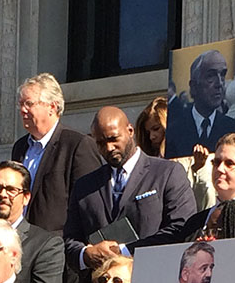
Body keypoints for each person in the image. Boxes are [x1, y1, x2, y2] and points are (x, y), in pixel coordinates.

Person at [63, 106, 196, 270]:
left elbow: (182, 229)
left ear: (130, 131)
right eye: (100, 143)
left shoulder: (167, 173)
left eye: (113, 139)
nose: (109, 148)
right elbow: (70, 240)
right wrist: (86, 254)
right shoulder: (84, 186)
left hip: (152, 278)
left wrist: (124, 251)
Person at [12, 73, 104, 233]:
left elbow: (89, 204)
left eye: (29, 104)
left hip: (58, 246)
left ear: (52, 107)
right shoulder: (20, 147)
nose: (22, 110)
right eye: (20, 104)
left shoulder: (77, 145)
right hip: (21, 243)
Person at [135, 96, 216, 211]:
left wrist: (199, 169)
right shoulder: (149, 163)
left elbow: (206, 205)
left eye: (156, 129)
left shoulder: (195, 156)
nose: (151, 136)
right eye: (148, 132)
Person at [164, 49, 235, 158]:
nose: (220, 84)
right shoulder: (174, 130)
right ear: (193, 86)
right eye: (210, 76)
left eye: (222, 75)